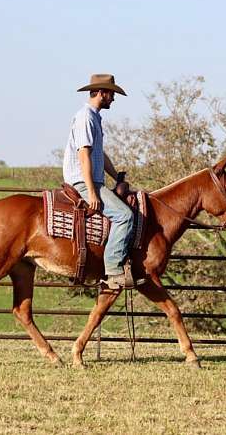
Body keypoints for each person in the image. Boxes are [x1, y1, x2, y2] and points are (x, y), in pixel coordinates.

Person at [63, 74, 140, 290]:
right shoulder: (85, 118)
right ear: (102, 93)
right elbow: (84, 155)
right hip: (83, 182)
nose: (113, 99)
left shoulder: (94, 117)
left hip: (92, 181)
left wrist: (117, 177)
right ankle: (114, 270)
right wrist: (92, 191)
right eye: (112, 94)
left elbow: (99, 153)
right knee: (125, 216)